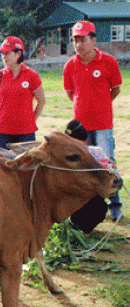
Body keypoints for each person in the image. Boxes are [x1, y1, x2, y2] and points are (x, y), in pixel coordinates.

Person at [63, 20, 123, 221]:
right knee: (84, 167)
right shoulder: (70, 66)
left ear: (93, 39)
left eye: (83, 39)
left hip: (103, 125)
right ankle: (88, 208)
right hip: (81, 128)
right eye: (75, 40)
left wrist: (101, 105)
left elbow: (115, 89)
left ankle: (115, 205)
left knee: (108, 165)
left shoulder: (109, 62)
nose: (79, 44)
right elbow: (71, 93)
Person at [0, 36, 46, 150]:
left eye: (7, 53)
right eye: (2, 53)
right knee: (6, 164)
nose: (4, 57)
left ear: (18, 53)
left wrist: (31, 120)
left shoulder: (31, 75)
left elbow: (41, 101)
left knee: (25, 165)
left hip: (26, 132)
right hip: (3, 131)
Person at [64, 120, 109, 232]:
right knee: (99, 207)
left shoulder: (63, 155)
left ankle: (79, 226)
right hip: (86, 197)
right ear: (86, 140)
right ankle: (83, 226)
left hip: (71, 199)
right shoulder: (96, 152)